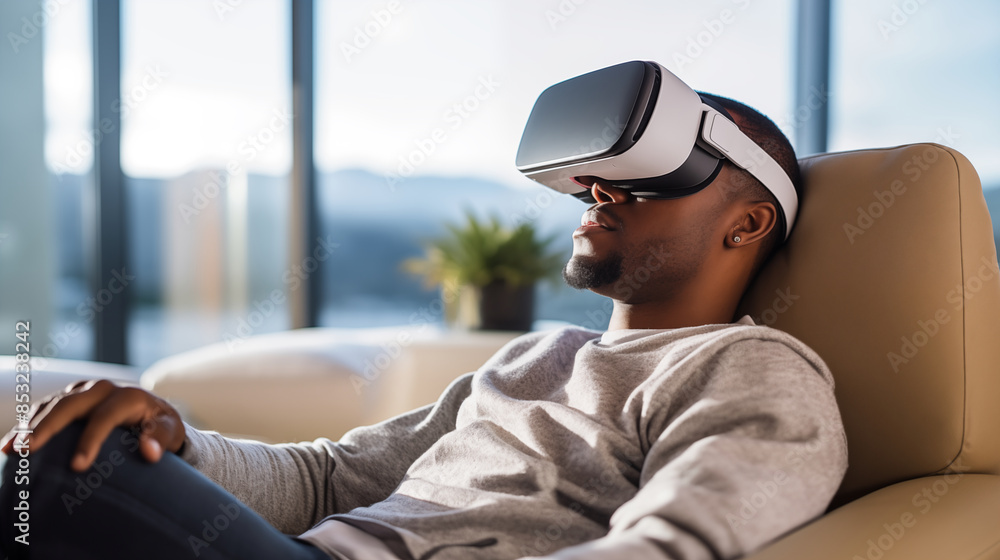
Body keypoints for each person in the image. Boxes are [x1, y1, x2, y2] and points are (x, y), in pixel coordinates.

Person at [1, 93, 847, 560]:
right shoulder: (535, 357)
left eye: (655, 176)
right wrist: (181, 442)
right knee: (76, 450)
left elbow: (675, 544)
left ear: (747, 225)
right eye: (596, 180)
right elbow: (329, 480)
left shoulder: (752, 368)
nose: (600, 192)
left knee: (57, 477)